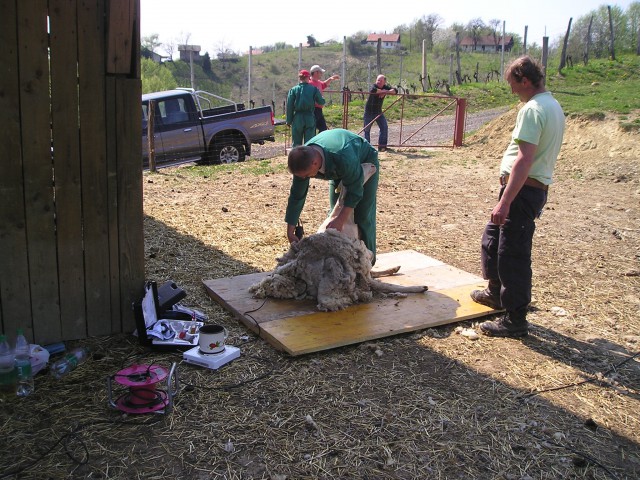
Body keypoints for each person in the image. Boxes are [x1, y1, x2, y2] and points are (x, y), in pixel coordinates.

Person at [471, 55, 565, 338]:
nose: (511, 90)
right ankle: (496, 294)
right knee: (494, 239)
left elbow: (524, 160)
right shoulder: (552, 105)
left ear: (524, 80)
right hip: (526, 188)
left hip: (524, 190)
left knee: (513, 254)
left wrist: (505, 201)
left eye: (513, 83)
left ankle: (515, 319)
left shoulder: (534, 109)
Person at [285, 129, 380, 264]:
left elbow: (355, 191)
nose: (304, 178)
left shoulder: (342, 157)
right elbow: (297, 195)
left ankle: (367, 263)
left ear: (315, 163)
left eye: (306, 176)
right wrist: (290, 229)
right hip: (336, 167)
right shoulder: (303, 162)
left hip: (363, 161)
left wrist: (341, 219)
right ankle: (338, 260)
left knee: (362, 214)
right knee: (334, 214)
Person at [286, 69, 325, 147]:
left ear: (300, 78)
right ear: (308, 77)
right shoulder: (314, 89)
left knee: (296, 143)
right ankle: (308, 158)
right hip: (309, 117)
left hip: (297, 117)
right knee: (309, 142)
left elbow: (289, 106)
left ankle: (296, 158)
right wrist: (322, 98)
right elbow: (321, 102)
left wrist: (289, 121)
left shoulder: (293, 90)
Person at [363, 74, 397, 152]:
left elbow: (395, 91)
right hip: (369, 112)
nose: (378, 82)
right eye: (378, 80)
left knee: (384, 127)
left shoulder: (385, 87)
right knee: (366, 130)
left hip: (378, 112)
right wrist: (385, 92)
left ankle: (382, 147)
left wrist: (385, 91)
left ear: (384, 82)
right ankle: (366, 149)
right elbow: (374, 90)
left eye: (381, 81)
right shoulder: (373, 86)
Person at [309, 65, 340, 133]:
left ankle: (318, 142)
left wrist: (330, 79)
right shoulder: (309, 83)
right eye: (320, 72)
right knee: (313, 129)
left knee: (323, 128)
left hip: (319, 109)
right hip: (313, 109)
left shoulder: (318, 82)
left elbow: (324, 84)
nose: (321, 74)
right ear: (316, 72)